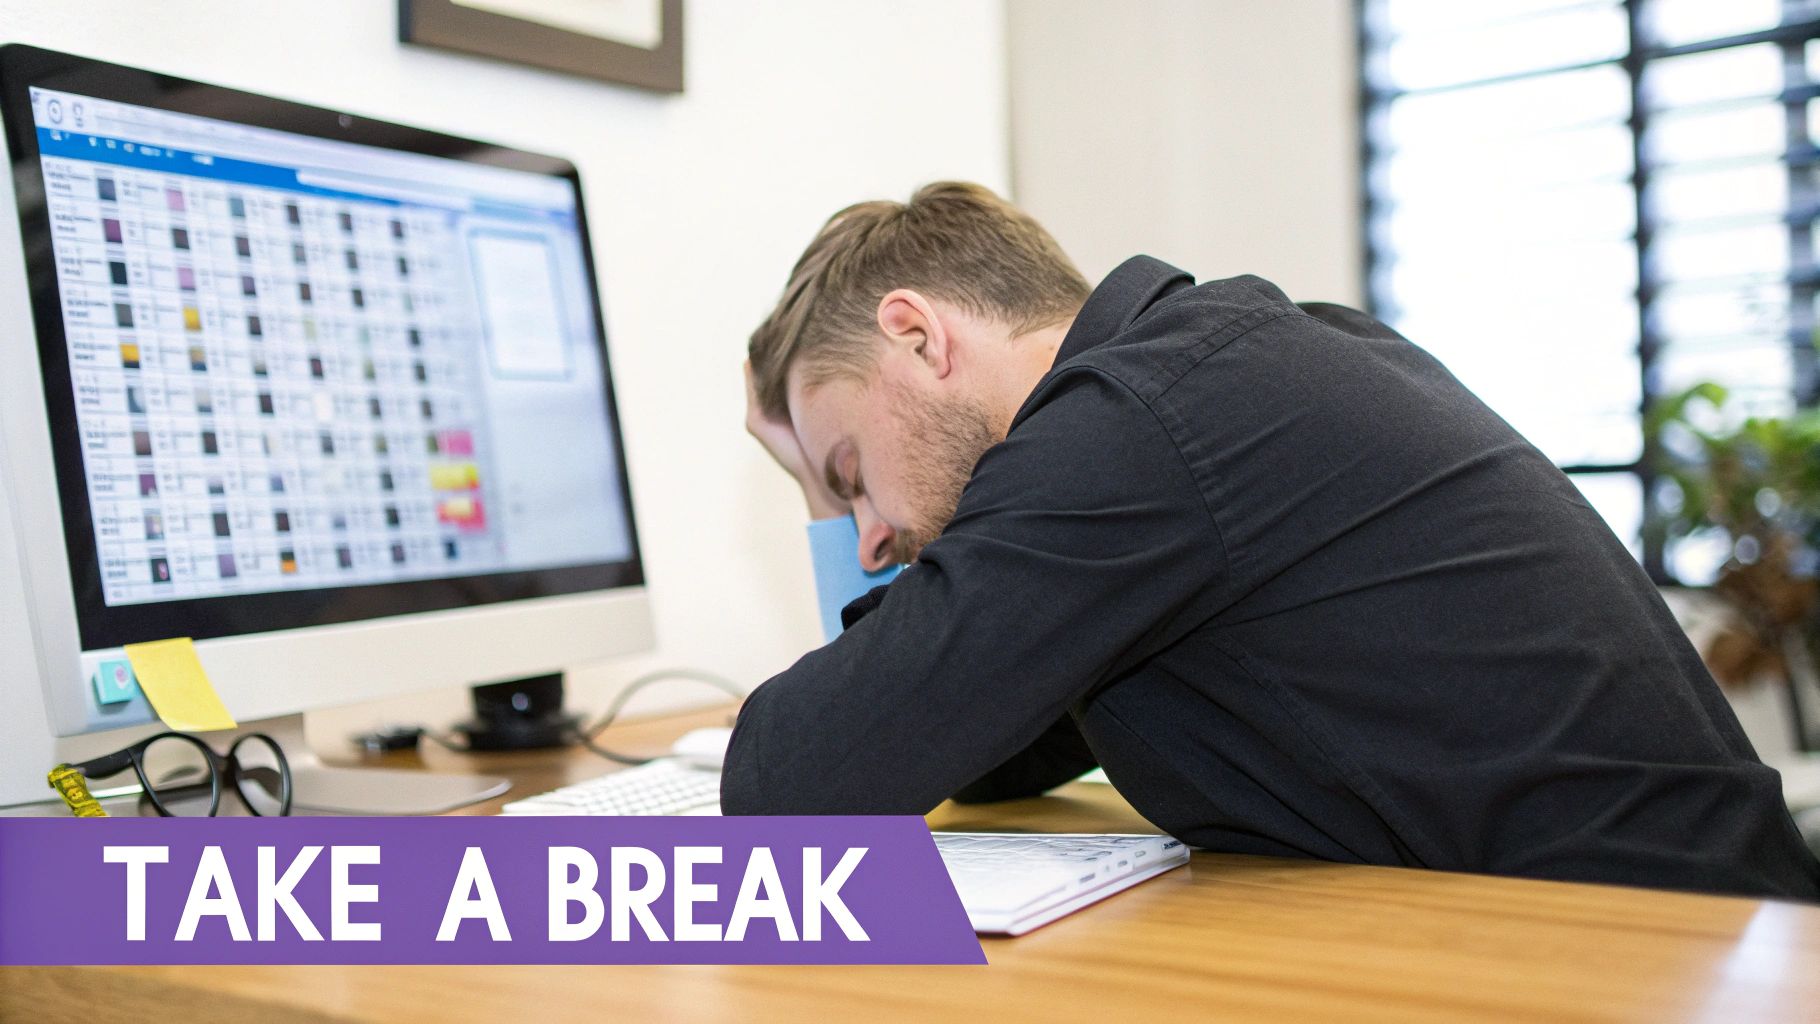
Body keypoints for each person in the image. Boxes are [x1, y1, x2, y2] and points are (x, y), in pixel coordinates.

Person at [725, 181, 1820, 901]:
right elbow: (980, 745)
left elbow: (792, 786)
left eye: (849, 475)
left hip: (1672, 963)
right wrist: (835, 480)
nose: (870, 538)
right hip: (1688, 926)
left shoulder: (1131, 429)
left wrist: (827, 529)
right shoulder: (1225, 369)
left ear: (917, 336)